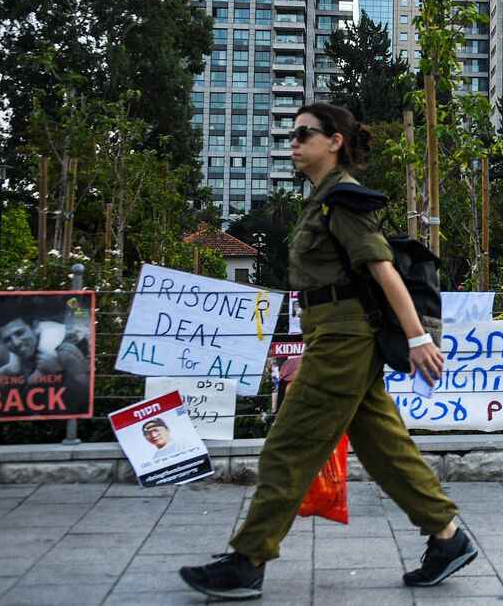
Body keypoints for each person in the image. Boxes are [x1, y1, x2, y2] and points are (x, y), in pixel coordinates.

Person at [180, 103, 476, 600]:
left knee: (289, 445)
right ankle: (446, 538)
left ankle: (248, 561)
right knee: (383, 445)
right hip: (332, 332)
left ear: (334, 141)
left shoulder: (342, 200)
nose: (294, 142)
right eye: (292, 134)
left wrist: (420, 338)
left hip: (344, 338)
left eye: (304, 134)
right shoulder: (320, 200)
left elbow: (384, 269)